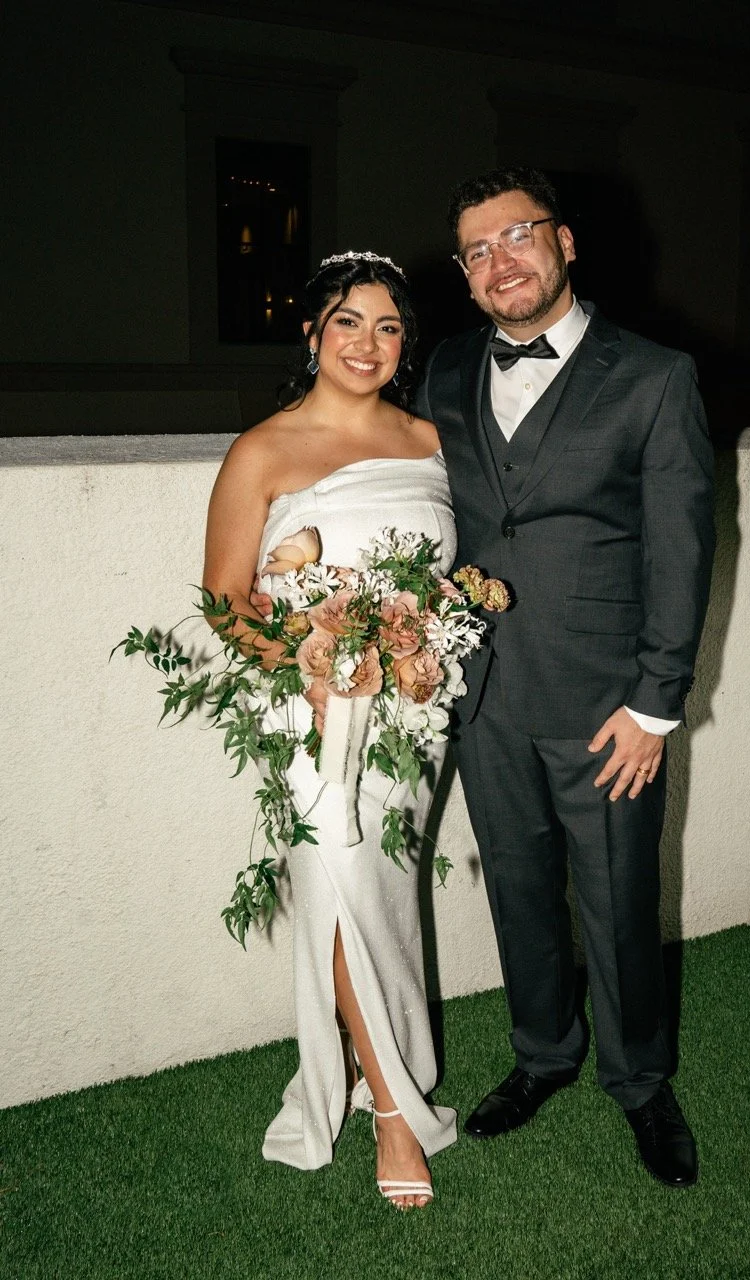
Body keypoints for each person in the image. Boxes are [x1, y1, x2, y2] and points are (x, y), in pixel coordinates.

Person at [414, 168, 715, 1187]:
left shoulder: (655, 375)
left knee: (618, 901)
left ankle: (638, 1081)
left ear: (565, 242)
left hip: (605, 708)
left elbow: (680, 550)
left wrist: (654, 705)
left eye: (517, 235)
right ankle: (542, 1052)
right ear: (463, 276)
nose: (501, 260)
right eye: (477, 250)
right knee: (517, 888)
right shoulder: (444, 369)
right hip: (481, 694)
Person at [203, 251, 457, 1209]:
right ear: (311, 334)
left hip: (418, 709)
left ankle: (373, 1064)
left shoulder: (434, 441)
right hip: (308, 714)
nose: (367, 343)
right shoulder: (263, 450)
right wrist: (307, 664)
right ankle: (394, 1111)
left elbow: (446, 580)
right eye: (347, 322)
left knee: (382, 893)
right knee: (341, 888)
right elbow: (227, 601)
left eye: (388, 327)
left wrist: (419, 644)